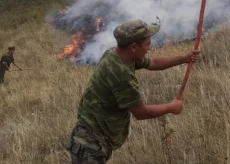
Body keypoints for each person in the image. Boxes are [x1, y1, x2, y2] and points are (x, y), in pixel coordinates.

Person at [66, 19, 200, 164]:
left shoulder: (115, 54)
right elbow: (140, 112)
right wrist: (170, 107)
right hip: (89, 144)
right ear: (134, 46)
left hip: (94, 139)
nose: (149, 47)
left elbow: (152, 63)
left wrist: (184, 59)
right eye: (148, 44)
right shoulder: (121, 74)